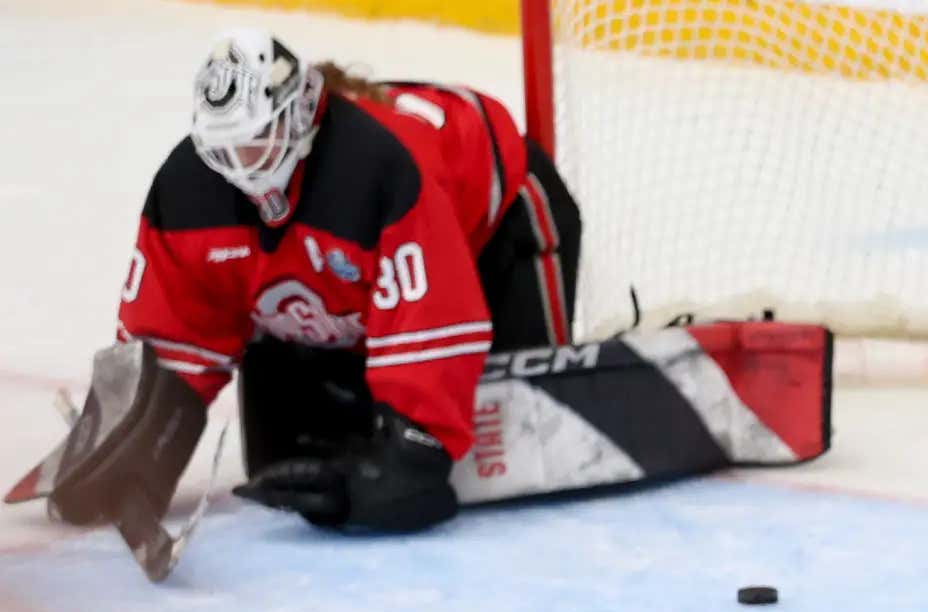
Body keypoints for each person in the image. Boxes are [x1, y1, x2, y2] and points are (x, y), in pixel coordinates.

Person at [115, 28, 581, 533]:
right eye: (225, 147)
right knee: (281, 457)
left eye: (255, 140)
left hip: (500, 227)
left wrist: (415, 449)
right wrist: (137, 436)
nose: (239, 165)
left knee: (508, 432)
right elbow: (178, 322)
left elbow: (433, 312)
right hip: (377, 253)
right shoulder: (191, 185)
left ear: (296, 118)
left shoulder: (382, 170)